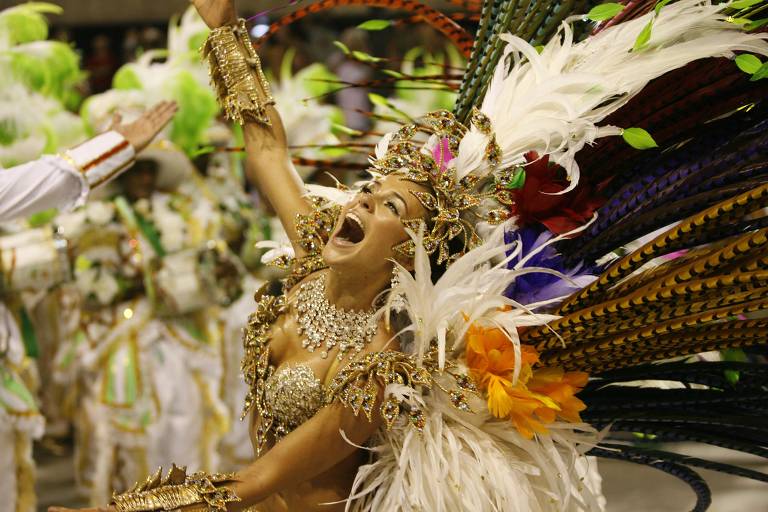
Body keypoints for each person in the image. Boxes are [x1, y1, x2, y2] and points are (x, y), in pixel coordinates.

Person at [52, 0, 768, 510]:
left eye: (390, 208)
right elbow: (265, 143)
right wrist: (227, 31)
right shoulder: (309, 259)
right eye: (368, 193)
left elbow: (250, 485)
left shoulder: (382, 362)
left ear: (418, 249)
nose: (359, 204)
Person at [0, 101, 178, 223]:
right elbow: (22, 189)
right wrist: (110, 147)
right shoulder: (98, 217)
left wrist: (110, 147)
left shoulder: (176, 206)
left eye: (150, 170)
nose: (146, 179)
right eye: (138, 171)